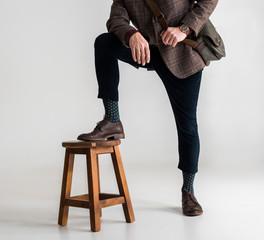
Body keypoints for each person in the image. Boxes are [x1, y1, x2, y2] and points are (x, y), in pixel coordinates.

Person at [77, 0, 219, 216]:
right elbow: (116, 19)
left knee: (187, 126)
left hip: (181, 53)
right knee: (104, 43)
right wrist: (130, 34)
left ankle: (188, 192)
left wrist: (184, 29)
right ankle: (112, 119)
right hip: (148, 50)